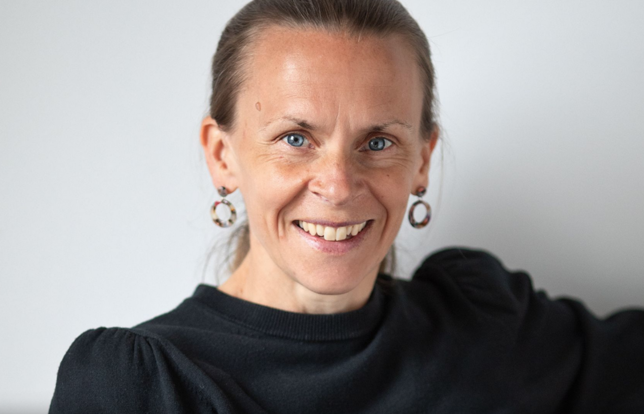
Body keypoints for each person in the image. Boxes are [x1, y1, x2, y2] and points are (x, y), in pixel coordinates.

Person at [49, 0, 644, 413]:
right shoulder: (137, 386)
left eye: (378, 143)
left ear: (422, 160)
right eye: (295, 138)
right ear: (222, 156)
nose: (337, 186)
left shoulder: (483, 323)